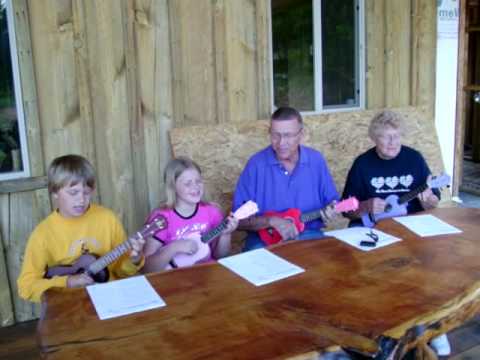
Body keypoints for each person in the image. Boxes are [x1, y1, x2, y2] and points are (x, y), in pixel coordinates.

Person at [341, 110, 449, 356]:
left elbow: (432, 201)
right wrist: (366, 206)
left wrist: (430, 200)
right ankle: (382, 335)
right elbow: (346, 211)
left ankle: (434, 327)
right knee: (370, 276)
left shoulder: (414, 159)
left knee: (424, 269)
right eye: (387, 137)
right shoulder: (363, 164)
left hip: (408, 229)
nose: (393, 143)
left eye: (397, 136)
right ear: (374, 138)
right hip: (371, 229)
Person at [17, 154, 146, 303]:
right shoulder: (42, 234)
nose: (81, 199)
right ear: (54, 193)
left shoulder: (108, 219)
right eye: (73, 193)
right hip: (69, 303)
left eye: (86, 192)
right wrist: (68, 281)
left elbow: (120, 272)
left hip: (110, 298)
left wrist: (134, 260)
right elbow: (26, 287)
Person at [233, 106, 339, 251]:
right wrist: (271, 221)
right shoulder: (256, 165)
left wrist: (331, 211)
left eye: (288, 135)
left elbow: (332, 202)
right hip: (263, 241)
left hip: (309, 235)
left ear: (301, 135)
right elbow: (238, 221)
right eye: (275, 135)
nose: (281, 143)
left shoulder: (316, 161)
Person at [143, 157, 238, 273]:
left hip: (208, 273)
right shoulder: (161, 219)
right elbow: (147, 268)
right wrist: (174, 247)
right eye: (188, 183)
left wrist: (225, 235)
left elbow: (221, 257)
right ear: (173, 187)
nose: (195, 187)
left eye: (198, 181)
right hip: (172, 278)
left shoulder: (212, 211)